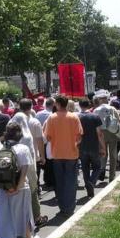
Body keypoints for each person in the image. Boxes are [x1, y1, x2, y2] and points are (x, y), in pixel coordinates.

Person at [0, 123, 40, 238]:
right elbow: (25, 170)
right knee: (24, 215)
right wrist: (18, 187)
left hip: (2, 189)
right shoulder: (23, 148)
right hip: (20, 188)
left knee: (5, 217)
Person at [44, 95, 83, 217]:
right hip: (72, 153)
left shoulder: (52, 118)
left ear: (57, 104)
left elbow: (48, 137)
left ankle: (63, 207)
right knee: (71, 181)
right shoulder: (74, 117)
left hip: (57, 154)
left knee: (60, 182)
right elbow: (79, 136)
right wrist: (74, 143)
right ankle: (70, 207)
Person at [18, 99, 48, 227]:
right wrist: (42, 156)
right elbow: (40, 140)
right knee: (33, 187)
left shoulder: (15, 121)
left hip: (17, 159)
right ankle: (37, 217)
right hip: (31, 158)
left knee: (20, 186)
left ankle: (22, 216)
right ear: (31, 107)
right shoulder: (34, 122)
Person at [78, 99, 106, 198]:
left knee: (85, 168)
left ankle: (88, 186)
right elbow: (99, 133)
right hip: (94, 146)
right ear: (89, 105)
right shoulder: (95, 116)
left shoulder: (76, 117)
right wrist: (103, 147)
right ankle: (92, 182)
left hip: (81, 147)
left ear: (80, 105)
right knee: (97, 167)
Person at [94, 90, 120, 182]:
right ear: (106, 99)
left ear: (99, 100)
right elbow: (119, 121)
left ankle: (102, 171)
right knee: (113, 155)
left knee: (103, 153)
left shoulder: (96, 110)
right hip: (112, 132)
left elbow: (94, 124)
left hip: (101, 133)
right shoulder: (112, 109)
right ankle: (112, 176)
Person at [36, 98, 55, 190]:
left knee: (41, 160)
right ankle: (49, 180)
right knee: (49, 161)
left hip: (39, 139)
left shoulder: (38, 114)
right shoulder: (52, 116)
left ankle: (43, 180)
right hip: (49, 140)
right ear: (52, 105)